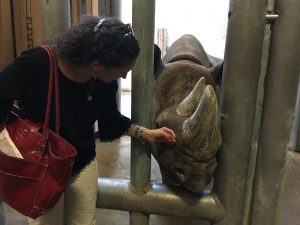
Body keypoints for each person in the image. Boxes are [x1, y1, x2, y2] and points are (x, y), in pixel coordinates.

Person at [0, 16, 176, 225]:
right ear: (96, 63)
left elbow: (110, 120)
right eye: (123, 71)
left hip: (82, 164)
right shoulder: (38, 62)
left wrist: (146, 134)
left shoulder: (104, 82)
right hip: (42, 167)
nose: (125, 77)